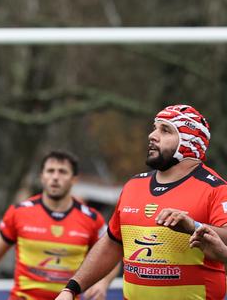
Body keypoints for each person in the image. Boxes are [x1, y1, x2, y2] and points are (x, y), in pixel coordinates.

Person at [54, 104, 227, 300]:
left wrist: (194, 227)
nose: (152, 135)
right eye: (155, 128)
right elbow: (112, 243)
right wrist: (72, 288)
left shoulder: (216, 189)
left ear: (189, 141)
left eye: (165, 130)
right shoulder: (134, 185)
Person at [0, 151, 112, 300]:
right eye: (50, 171)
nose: (55, 177)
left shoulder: (91, 219)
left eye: (62, 172)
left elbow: (110, 252)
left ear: (74, 179)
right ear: (42, 176)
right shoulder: (19, 212)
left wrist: (102, 283)